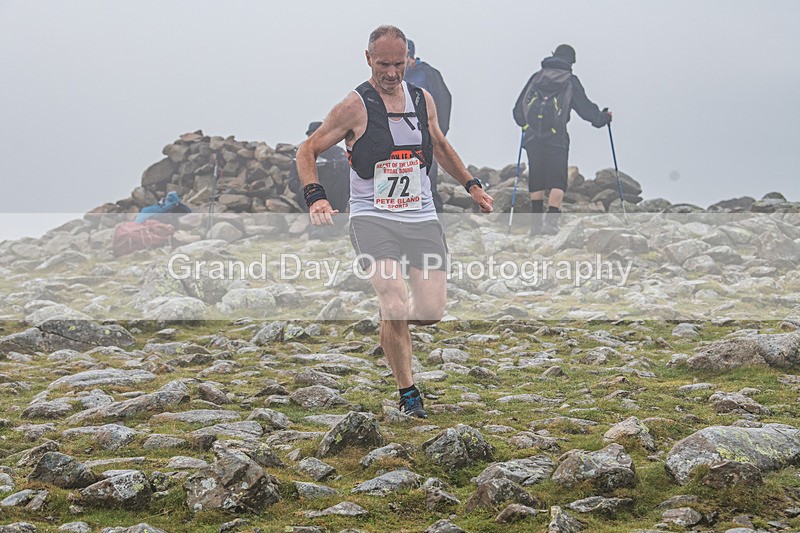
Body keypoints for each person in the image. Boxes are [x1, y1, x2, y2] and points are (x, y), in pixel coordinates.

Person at [296, 25, 493, 418]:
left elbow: (438, 144)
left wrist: (471, 184)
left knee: (431, 312)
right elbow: (308, 149)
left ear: (410, 61)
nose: (391, 72)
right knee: (393, 298)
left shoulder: (422, 99)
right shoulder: (354, 106)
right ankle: (408, 393)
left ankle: (393, 327)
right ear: (368, 59)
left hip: (420, 215)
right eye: (383, 63)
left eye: (398, 64)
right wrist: (316, 198)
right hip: (372, 217)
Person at [513, 44, 612, 235]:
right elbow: (586, 110)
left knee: (537, 177)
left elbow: (518, 109)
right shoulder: (570, 81)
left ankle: (535, 227)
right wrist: (603, 118)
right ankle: (551, 225)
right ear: (571, 61)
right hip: (557, 136)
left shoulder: (536, 78)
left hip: (533, 136)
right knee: (557, 179)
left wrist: (526, 127)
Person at [404, 39, 452, 213]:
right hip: (399, 140)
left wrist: (438, 133)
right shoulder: (393, 76)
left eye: (403, 55)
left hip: (426, 138)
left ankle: (436, 224)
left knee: (427, 183)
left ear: (411, 54)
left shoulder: (429, 74)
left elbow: (444, 101)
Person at [288, 121, 350, 212]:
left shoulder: (336, 152)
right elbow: (292, 182)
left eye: (316, 135)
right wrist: (304, 189)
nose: (313, 139)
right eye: (311, 136)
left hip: (335, 203)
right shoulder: (301, 155)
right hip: (310, 204)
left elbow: (345, 169)